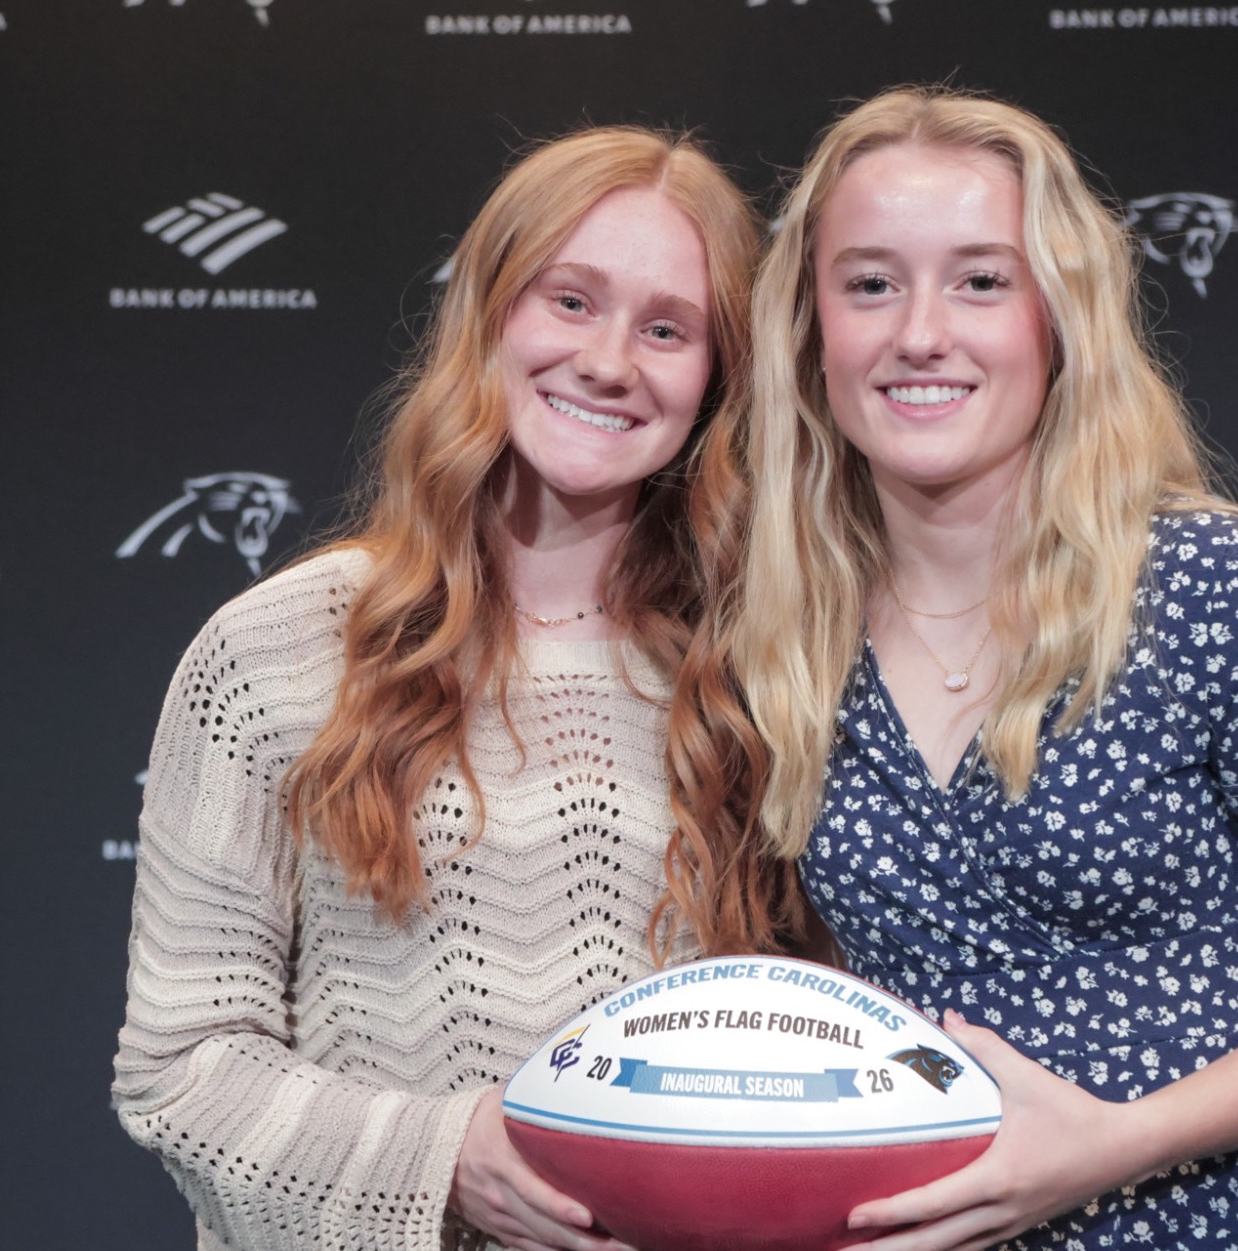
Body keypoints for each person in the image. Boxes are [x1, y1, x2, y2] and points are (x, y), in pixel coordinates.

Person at [701, 87, 1238, 1250]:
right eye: (869, 283)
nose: (918, 332)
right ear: (809, 331)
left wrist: (1114, 1142)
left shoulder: (1205, 584)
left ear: (1058, 316)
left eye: (979, 280)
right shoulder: (781, 624)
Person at [112, 126, 776, 1251]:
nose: (611, 360)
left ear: (716, 380)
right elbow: (180, 1071)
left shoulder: (756, 674)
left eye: (667, 329)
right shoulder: (277, 651)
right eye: (570, 301)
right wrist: (448, 1155)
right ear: (488, 313)